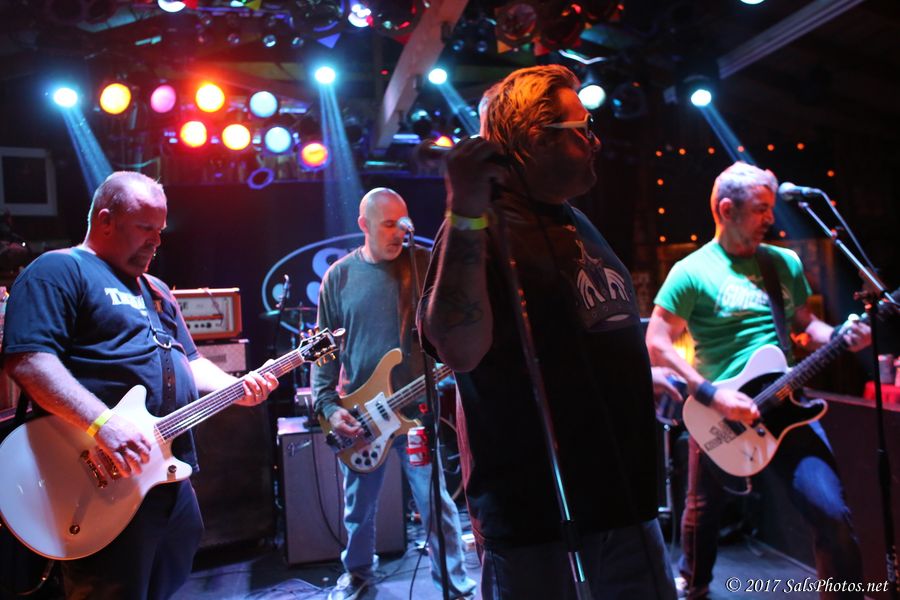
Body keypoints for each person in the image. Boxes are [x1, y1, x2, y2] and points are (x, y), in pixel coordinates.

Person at [419, 64, 677, 600]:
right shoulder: (479, 227)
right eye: (582, 129)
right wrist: (464, 213)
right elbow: (459, 349)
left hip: (627, 505)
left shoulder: (575, 221)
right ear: (537, 139)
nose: (596, 140)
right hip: (541, 525)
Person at [1, 171, 279, 599]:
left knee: (167, 577)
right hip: (96, 472)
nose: (156, 241)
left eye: (161, 230)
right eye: (145, 228)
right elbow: (31, 361)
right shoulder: (59, 270)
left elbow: (191, 362)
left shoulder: (157, 290)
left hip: (163, 472)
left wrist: (236, 386)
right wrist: (103, 423)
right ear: (105, 220)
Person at [645, 161, 870, 599]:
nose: (771, 217)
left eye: (770, 208)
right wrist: (712, 394)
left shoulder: (783, 263)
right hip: (719, 411)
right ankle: (695, 585)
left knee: (832, 514)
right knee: (702, 514)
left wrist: (841, 337)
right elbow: (657, 342)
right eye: (760, 209)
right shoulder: (691, 271)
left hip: (787, 404)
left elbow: (806, 324)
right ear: (727, 210)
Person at [311, 188, 476, 600]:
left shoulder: (422, 265)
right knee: (359, 511)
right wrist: (328, 406)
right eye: (388, 225)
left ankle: (455, 587)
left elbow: (449, 327)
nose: (399, 232)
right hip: (362, 415)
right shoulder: (339, 277)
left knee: (435, 504)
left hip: (416, 412)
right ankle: (358, 575)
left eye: (403, 224)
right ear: (363, 225)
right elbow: (323, 353)